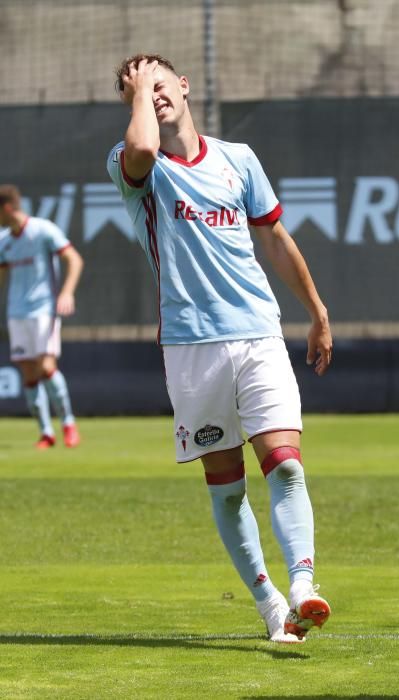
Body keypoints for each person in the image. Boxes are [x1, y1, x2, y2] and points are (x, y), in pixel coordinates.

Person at [107, 54, 333, 643]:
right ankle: (271, 608)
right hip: (192, 349)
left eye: (161, 84)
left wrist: (317, 310)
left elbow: (276, 239)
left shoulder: (239, 159)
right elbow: (141, 151)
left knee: (284, 463)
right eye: (138, 90)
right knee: (228, 488)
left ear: (185, 86)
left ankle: (305, 586)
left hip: (259, 332)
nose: (153, 95)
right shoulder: (137, 165)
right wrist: (137, 95)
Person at [0, 185, 83, 449]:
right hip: (16, 312)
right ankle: (46, 432)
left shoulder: (43, 229)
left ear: (7, 208)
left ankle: (68, 423)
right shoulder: (4, 241)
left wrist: (66, 293)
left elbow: (74, 259)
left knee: (46, 367)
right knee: (28, 372)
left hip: (43, 310)